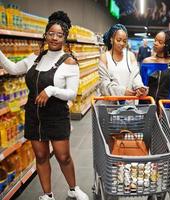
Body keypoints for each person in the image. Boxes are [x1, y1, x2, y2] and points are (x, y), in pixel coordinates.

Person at [0, 11, 89, 200]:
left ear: (65, 38)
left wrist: (51, 90)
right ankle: (47, 194)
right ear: (46, 34)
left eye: (59, 35)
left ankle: (73, 188)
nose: (54, 38)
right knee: (40, 157)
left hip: (56, 116)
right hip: (34, 115)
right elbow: (13, 69)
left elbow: (72, 93)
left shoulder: (69, 61)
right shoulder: (35, 57)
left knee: (63, 156)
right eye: (51, 33)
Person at [98, 24, 148, 98]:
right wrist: (122, 92)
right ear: (111, 40)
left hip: (129, 103)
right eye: (118, 40)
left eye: (124, 41)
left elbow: (135, 76)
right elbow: (103, 84)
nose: (122, 43)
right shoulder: (104, 57)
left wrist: (139, 87)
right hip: (110, 104)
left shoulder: (130, 56)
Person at [140, 30, 170, 105]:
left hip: (165, 106)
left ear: (167, 45)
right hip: (146, 105)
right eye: (155, 40)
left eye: (160, 42)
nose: (155, 43)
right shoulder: (147, 62)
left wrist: (166, 107)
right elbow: (143, 85)